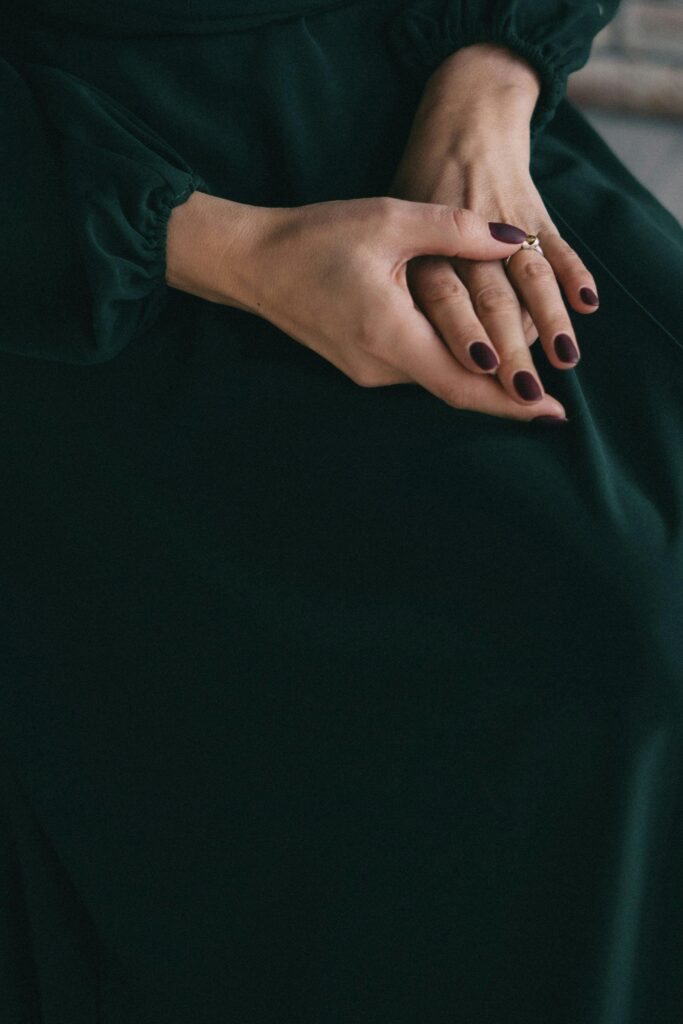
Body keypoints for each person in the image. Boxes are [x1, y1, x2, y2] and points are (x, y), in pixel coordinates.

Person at [1, 1, 681, 1020]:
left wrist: (487, 89)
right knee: (599, 653)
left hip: (435, 103)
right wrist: (230, 248)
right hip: (75, 215)